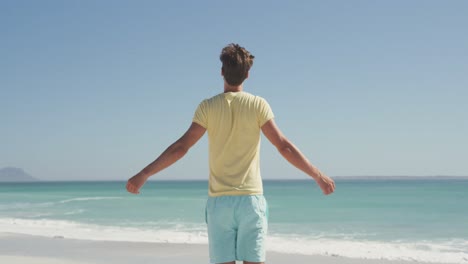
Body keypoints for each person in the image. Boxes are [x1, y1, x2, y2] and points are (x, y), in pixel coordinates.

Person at [126, 43, 335, 264]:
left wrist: (144, 174)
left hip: (219, 204)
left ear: (222, 71)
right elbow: (284, 146)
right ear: (247, 74)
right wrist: (318, 176)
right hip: (250, 202)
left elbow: (181, 147)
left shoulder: (207, 107)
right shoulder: (258, 105)